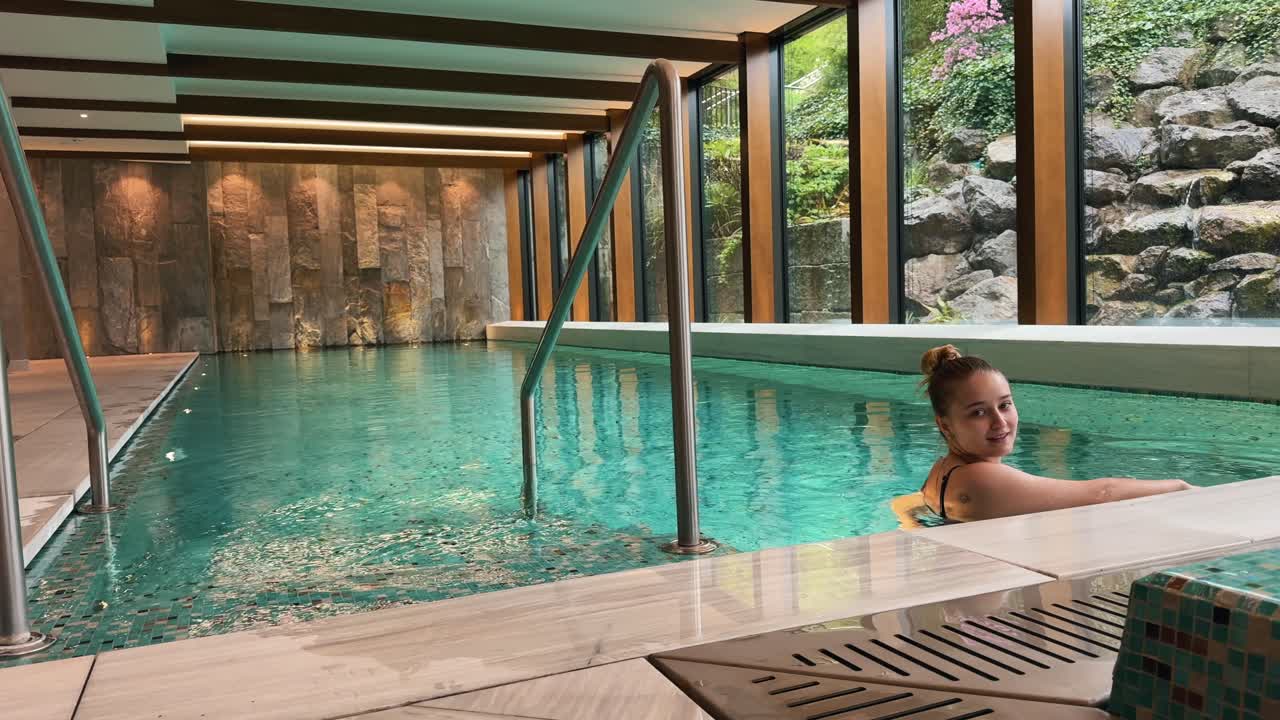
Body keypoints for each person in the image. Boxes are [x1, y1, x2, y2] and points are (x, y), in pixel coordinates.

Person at [918, 344, 1191, 523]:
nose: (1000, 422)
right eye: (978, 412)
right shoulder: (980, 478)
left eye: (1005, 405)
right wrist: (1180, 487)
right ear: (945, 425)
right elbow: (1101, 493)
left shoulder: (940, 471)